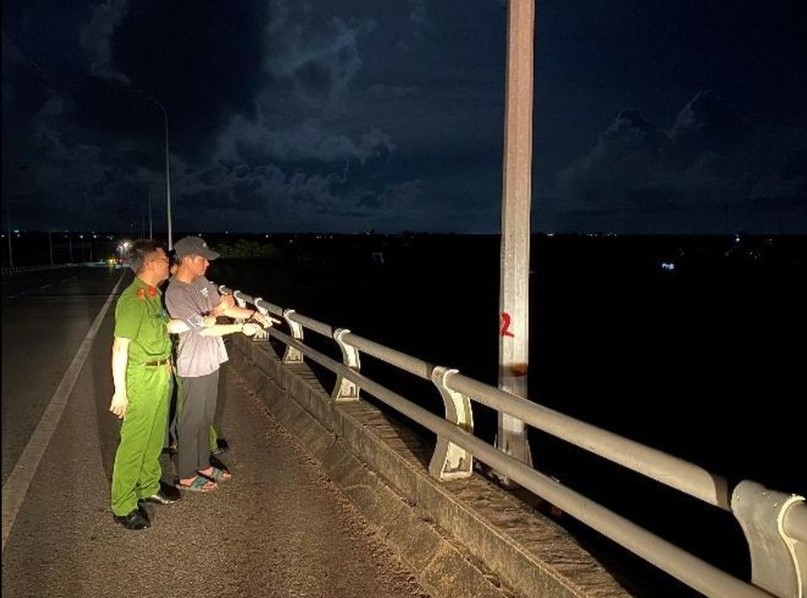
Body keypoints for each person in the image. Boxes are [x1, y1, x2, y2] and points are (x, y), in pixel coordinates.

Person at [109, 239, 204, 530]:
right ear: (150, 263)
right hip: (141, 378)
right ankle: (123, 504)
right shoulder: (133, 299)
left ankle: (148, 485)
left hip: (161, 373)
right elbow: (119, 347)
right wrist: (120, 392)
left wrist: (202, 321)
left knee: (153, 439)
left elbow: (168, 326)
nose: (168, 262)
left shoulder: (153, 295)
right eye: (164, 258)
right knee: (134, 442)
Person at [165, 235, 272, 492]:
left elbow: (223, 309)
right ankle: (187, 474)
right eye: (203, 259)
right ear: (188, 259)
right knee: (191, 420)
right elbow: (203, 328)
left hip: (211, 358)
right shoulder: (175, 292)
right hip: (193, 362)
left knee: (205, 417)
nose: (207, 264)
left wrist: (254, 314)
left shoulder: (202, 283)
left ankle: (202, 463)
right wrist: (240, 328)